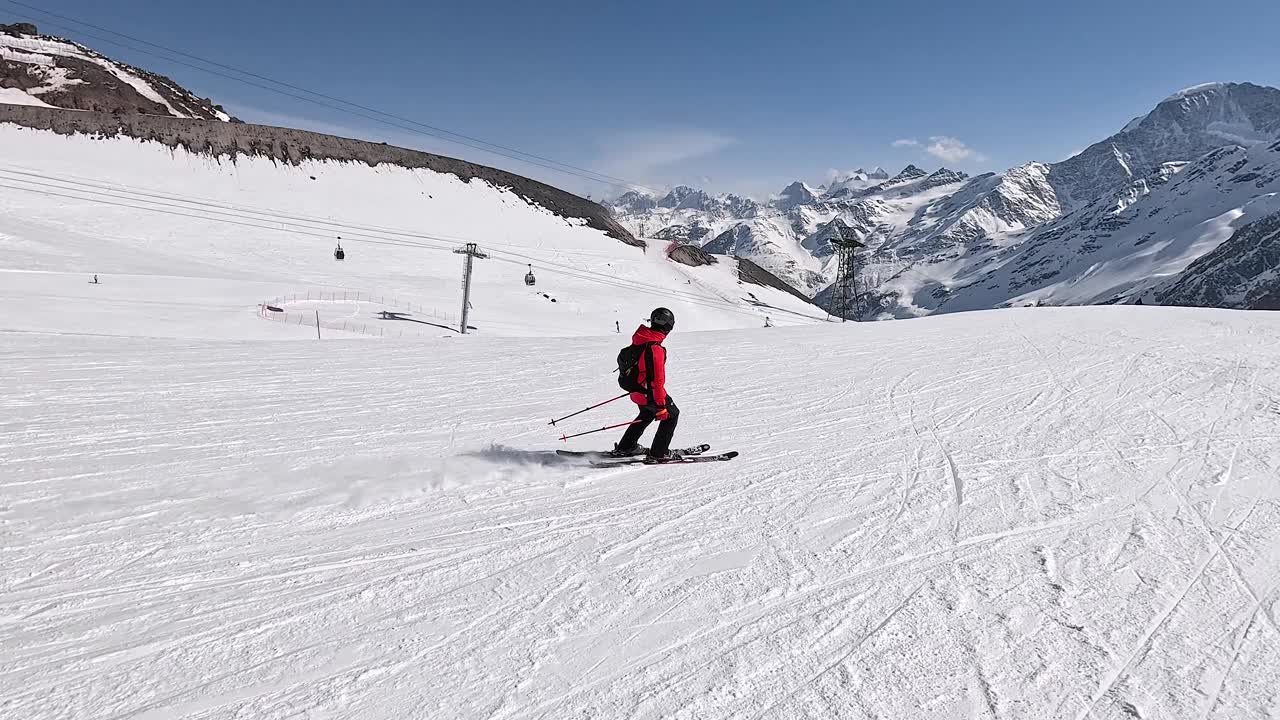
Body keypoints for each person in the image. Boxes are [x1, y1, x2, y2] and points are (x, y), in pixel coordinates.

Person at [615, 307, 681, 461]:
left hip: (637, 391)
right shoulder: (655, 348)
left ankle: (626, 447)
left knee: (646, 413)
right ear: (668, 327)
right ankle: (659, 453)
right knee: (672, 415)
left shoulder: (640, 339)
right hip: (648, 393)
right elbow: (657, 382)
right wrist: (661, 406)